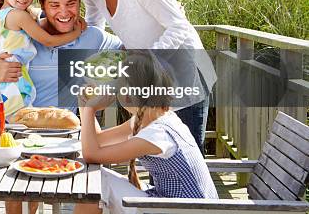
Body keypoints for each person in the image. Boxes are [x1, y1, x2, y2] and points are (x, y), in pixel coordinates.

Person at [0, 0, 122, 214]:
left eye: (71, 4)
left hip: (69, 139)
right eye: (55, 5)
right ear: (42, 6)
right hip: (21, 136)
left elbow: (132, 57)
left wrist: (107, 85)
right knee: (16, 198)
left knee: (89, 199)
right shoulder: (22, 36)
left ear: (79, 3)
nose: (64, 13)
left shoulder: (93, 38)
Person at [68, 0, 216, 154]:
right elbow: (96, 28)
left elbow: (179, 26)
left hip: (184, 75)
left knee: (186, 154)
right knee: (160, 154)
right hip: (150, 79)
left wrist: (143, 61)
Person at [75, 51, 218, 214]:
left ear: (127, 96)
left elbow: (92, 154)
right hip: (176, 205)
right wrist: (85, 105)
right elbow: (99, 141)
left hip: (185, 209)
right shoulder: (157, 117)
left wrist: (90, 110)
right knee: (96, 180)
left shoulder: (156, 134)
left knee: (97, 182)